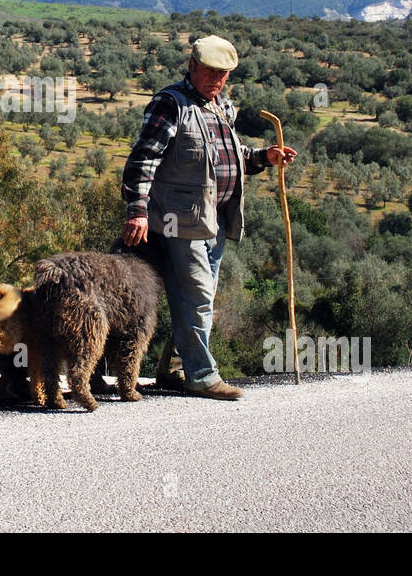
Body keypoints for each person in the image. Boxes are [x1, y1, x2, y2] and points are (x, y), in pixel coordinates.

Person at [121, 35, 296, 399]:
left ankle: (174, 368)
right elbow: (143, 160)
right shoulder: (170, 105)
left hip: (213, 221)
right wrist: (137, 211)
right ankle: (201, 375)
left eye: (224, 74)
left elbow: (232, 156)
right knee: (198, 295)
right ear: (192, 66)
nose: (216, 79)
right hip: (177, 222)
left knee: (198, 296)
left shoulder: (222, 107)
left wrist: (265, 157)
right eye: (210, 71)